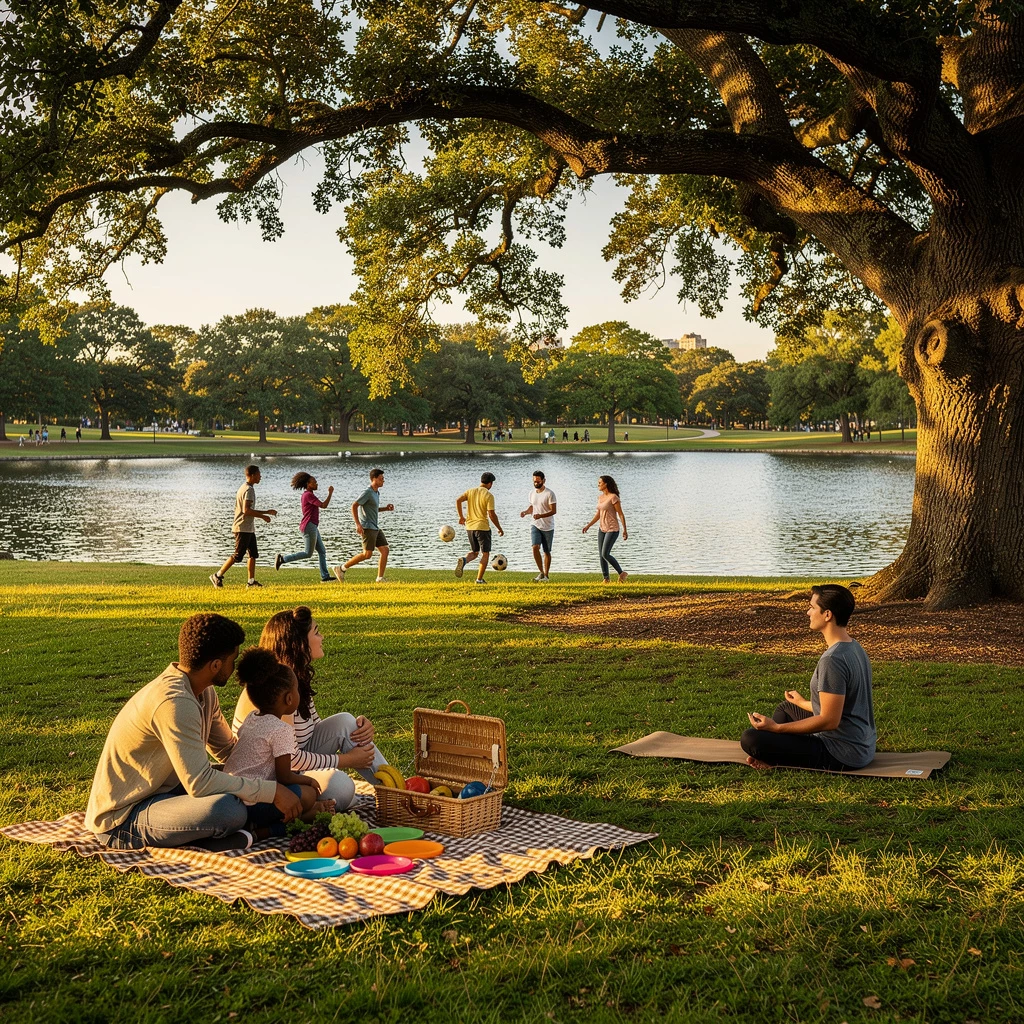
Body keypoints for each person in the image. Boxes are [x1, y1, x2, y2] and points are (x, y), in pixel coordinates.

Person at [85, 613, 302, 851]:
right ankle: (236, 833)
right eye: (233, 659)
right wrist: (271, 792)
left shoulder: (204, 692)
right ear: (216, 665)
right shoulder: (174, 702)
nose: (236, 667)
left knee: (267, 790)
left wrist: (274, 772)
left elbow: (227, 750)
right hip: (126, 814)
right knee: (228, 810)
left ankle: (235, 832)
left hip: (171, 791)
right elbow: (199, 782)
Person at [232, 606, 389, 809]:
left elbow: (312, 731)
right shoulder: (275, 693)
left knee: (346, 721)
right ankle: (315, 804)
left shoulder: (294, 678)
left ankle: (396, 791)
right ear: (299, 644)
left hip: (295, 767)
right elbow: (290, 761)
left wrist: (356, 729)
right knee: (342, 787)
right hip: (272, 778)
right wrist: (347, 760)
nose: (322, 636)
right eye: (316, 632)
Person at [740, 585, 876, 771]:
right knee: (787, 708)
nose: (808, 612)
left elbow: (830, 720)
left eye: (812, 607)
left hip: (842, 752)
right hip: (862, 745)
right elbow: (841, 706)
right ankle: (776, 751)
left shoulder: (833, 660)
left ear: (827, 615)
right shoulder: (853, 647)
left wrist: (776, 729)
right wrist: (803, 703)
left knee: (751, 739)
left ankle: (774, 755)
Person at [225, 647, 333, 832]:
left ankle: (277, 821)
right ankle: (269, 829)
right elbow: (284, 776)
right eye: (297, 689)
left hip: (234, 795)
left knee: (299, 792)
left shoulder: (252, 717)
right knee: (308, 795)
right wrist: (308, 781)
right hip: (255, 802)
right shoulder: (281, 729)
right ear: (289, 698)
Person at [210, 464, 276, 589]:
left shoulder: (245, 487)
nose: (260, 476)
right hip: (242, 528)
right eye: (258, 474)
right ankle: (217, 575)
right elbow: (246, 510)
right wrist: (264, 516)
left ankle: (251, 582)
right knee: (238, 555)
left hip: (248, 528)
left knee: (253, 554)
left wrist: (266, 512)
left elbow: (248, 510)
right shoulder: (248, 490)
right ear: (252, 475)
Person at [275, 471, 337, 583]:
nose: (317, 484)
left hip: (313, 526)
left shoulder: (309, 494)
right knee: (308, 553)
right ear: (308, 484)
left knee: (322, 551)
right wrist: (330, 493)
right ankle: (283, 559)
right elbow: (323, 505)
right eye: (314, 482)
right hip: (309, 526)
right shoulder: (308, 495)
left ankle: (325, 577)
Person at [335, 467, 394, 583]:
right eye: (381, 478)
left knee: (385, 550)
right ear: (374, 479)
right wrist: (358, 524)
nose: (383, 481)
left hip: (375, 527)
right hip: (367, 527)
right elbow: (354, 506)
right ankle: (341, 568)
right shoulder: (367, 492)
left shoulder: (376, 492)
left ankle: (380, 578)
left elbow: (372, 509)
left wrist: (385, 509)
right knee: (367, 554)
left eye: (383, 478)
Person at [456, 471, 504, 584]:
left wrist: (461, 517)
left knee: (474, 552)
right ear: (490, 483)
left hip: (470, 527)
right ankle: (479, 579)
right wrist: (499, 528)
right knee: (485, 554)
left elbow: (458, 500)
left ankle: (464, 560)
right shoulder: (488, 495)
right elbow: (491, 515)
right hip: (482, 527)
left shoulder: (470, 491)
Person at [582, 475, 628, 583]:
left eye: (600, 483)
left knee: (605, 553)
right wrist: (588, 525)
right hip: (602, 529)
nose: (598, 484)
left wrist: (625, 530)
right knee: (601, 555)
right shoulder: (600, 497)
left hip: (612, 529)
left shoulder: (613, 497)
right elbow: (598, 514)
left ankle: (621, 573)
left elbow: (620, 514)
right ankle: (606, 579)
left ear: (605, 484)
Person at [520, 469, 556, 581]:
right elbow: (532, 507)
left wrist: (541, 515)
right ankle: (541, 572)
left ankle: (546, 575)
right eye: (534, 481)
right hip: (535, 524)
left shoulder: (550, 494)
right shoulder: (531, 493)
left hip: (548, 526)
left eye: (538, 481)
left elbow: (553, 511)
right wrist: (526, 512)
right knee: (535, 547)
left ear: (544, 481)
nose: (536, 483)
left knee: (546, 551)